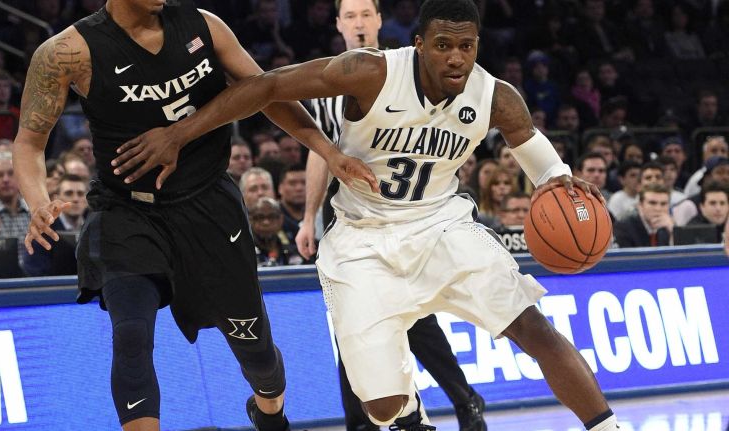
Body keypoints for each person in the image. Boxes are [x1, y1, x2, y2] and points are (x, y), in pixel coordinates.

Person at [112, 1, 620, 430]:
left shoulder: (495, 97)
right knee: (380, 408)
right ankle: (409, 410)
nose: (456, 57)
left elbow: (540, 160)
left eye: (466, 46)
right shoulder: (369, 72)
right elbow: (267, 87)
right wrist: (179, 133)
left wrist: (559, 178)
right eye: (443, 44)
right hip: (361, 239)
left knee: (534, 328)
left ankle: (607, 426)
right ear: (419, 44)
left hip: (442, 226)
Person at [11, 1, 376, 430]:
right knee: (131, 336)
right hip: (127, 211)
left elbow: (267, 90)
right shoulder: (67, 52)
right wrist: (38, 201)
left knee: (257, 354)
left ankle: (270, 414)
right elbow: (29, 142)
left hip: (209, 205)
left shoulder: (204, 25)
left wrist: (329, 152)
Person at [303, 1, 487, 430]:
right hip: (349, 214)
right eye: (351, 16)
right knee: (351, 321)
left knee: (417, 316)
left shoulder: (405, 70)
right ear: (338, 24)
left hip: (406, 208)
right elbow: (318, 150)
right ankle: (364, 422)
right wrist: (308, 217)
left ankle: (462, 398)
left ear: (379, 20)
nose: (359, 23)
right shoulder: (327, 78)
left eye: (366, 14)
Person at [614, 183, 674, 248]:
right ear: (640, 205)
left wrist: (672, 231)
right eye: (652, 203)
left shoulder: (666, 227)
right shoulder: (624, 227)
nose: (658, 209)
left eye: (663, 204)